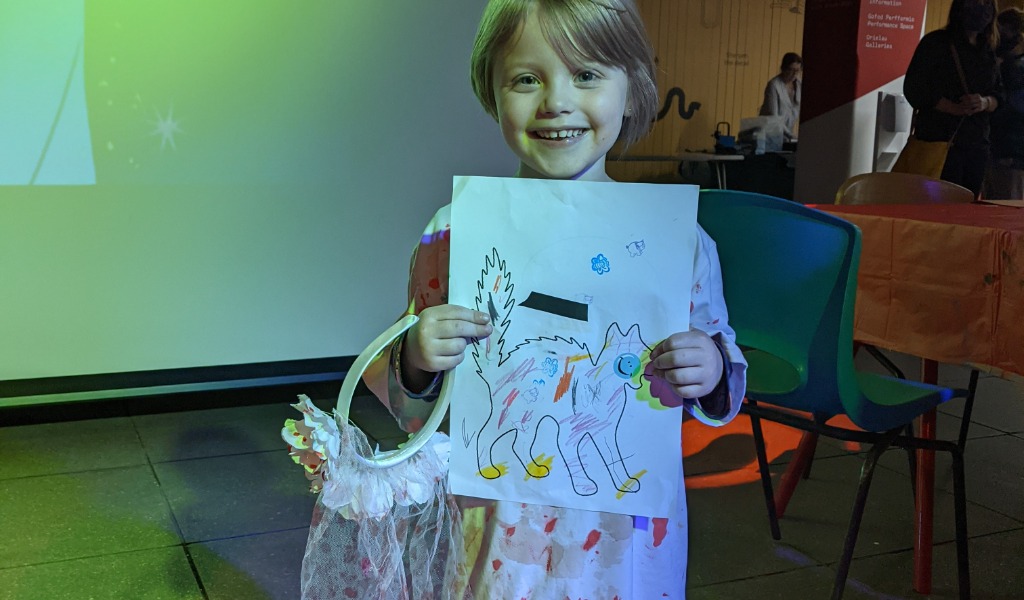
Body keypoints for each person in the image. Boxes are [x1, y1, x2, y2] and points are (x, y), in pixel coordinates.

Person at [291, 0, 747, 597]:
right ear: (492, 92)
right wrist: (419, 354)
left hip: (622, 529)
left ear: (632, 89)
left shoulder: (678, 243)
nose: (556, 101)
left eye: (587, 75)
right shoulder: (454, 234)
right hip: (498, 520)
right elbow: (411, 402)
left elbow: (720, 368)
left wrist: (709, 365)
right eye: (527, 79)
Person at [903, 0, 1002, 198]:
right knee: (934, 206)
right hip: (939, 139)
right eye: (975, 3)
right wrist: (950, 107)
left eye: (987, 5)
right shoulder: (936, 43)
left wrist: (985, 102)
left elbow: (1000, 94)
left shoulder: (988, 50)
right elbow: (914, 88)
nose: (982, 10)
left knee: (967, 207)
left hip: (976, 143)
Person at [985, 8, 1024, 199]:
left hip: (1011, 153)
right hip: (996, 149)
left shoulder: (1013, 67)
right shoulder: (999, 62)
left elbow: (1014, 109)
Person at [759, 52, 802, 142]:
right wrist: (791, 136)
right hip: (769, 135)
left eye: (797, 70)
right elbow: (773, 116)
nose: (794, 74)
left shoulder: (799, 85)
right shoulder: (774, 85)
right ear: (784, 68)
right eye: (791, 70)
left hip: (787, 136)